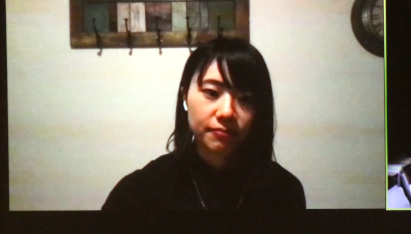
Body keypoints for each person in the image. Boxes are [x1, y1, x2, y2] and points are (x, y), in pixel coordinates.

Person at [103, 37, 305, 210]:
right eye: (212, 93)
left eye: (245, 99)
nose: (227, 112)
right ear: (185, 97)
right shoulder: (140, 193)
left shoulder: (284, 192)